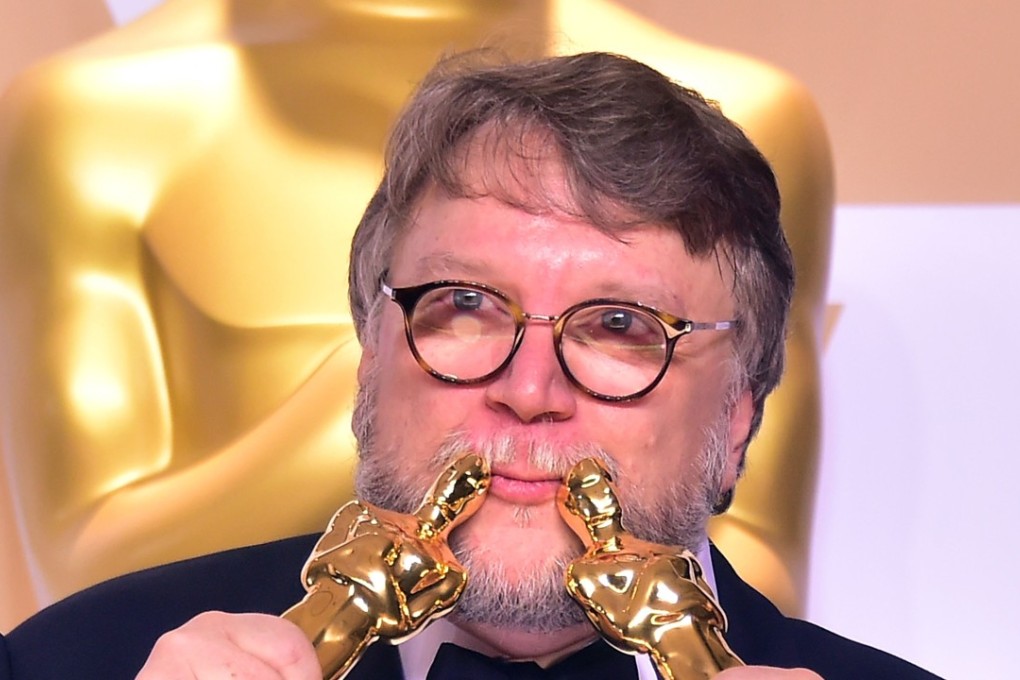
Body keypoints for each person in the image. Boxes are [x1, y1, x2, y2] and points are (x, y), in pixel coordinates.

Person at [1, 51, 937, 680]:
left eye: (619, 326)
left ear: (738, 417)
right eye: (466, 307)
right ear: (371, 358)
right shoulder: (68, 662)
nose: (529, 392)